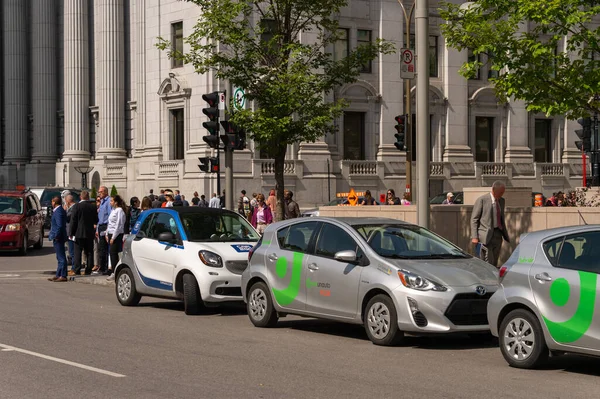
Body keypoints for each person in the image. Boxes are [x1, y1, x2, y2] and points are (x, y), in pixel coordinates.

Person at [470, 180, 510, 268]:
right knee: (488, 261)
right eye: (500, 192)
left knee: (495, 260)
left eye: (502, 193)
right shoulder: (482, 200)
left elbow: (501, 217)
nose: (501, 195)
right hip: (485, 235)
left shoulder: (502, 201)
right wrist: (474, 237)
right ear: (493, 190)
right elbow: (474, 219)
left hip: (498, 234)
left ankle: (493, 278)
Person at [68, 191, 98, 276]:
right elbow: (96, 220)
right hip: (89, 232)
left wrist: (71, 232)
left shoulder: (77, 206)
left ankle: (77, 269)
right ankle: (88, 269)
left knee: (78, 251)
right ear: (88, 197)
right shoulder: (92, 207)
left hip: (79, 232)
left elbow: (73, 220)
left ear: (81, 197)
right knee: (89, 252)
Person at [106, 195, 127, 279]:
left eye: (112, 201)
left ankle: (115, 272)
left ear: (116, 202)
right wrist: (107, 233)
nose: (110, 202)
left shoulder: (120, 211)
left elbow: (119, 225)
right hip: (111, 233)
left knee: (114, 253)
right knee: (111, 253)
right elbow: (110, 223)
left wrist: (113, 237)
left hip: (117, 234)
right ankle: (114, 271)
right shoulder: (113, 210)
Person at [48, 197, 68, 282]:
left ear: (54, 202)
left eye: (52, 201)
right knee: (59, 256)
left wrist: (56, 235)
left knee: (61, 256)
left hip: (59, 237)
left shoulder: (59, 211)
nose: (51, 203)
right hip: (58, 236)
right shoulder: (58, 210)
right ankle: (58, 274)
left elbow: (60, 225)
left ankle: (63, 275)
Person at [95, 186, 111, 275]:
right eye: (99, 192)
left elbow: (109, 216)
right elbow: (99, 217)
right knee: (101, 248)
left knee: (104, 248)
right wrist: (97, 228)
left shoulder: (108, 202)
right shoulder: (101, 202)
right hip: (100, 226)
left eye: (100, 192)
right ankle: (102, 267)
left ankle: (104, 268)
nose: (99, 193)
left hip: (105, 226)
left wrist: (107, 229)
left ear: (105, 192)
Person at [64, 194, 77, 268]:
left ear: (68, 201)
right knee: (71, 250)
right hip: (70, 232)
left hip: (72, 232)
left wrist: (65, 211)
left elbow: (68, 217)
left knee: (72, 251)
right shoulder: (71, 208)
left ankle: (74, 267)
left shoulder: (73, 208)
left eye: (66, 201)